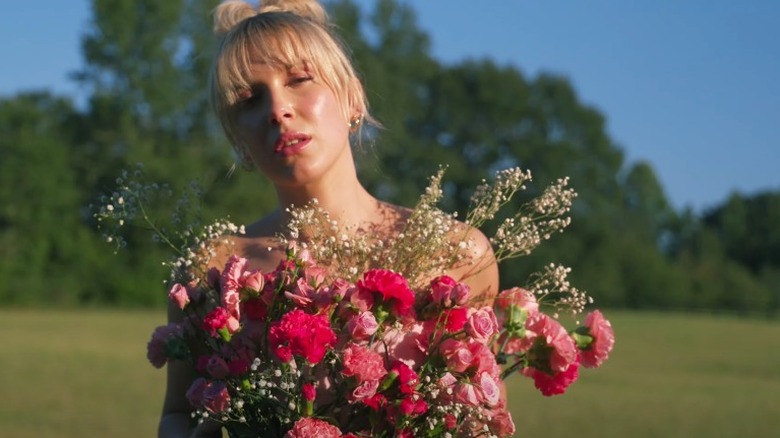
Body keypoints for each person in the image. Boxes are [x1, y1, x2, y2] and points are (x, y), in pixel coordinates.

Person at [158, 1, 499, 436]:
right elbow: (177, 414)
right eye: (249, 98)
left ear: (352, 97)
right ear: (237, 139)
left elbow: (485, 416)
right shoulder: (213, 269)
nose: (277, 109)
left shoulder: (458, 252)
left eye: (299, 80)